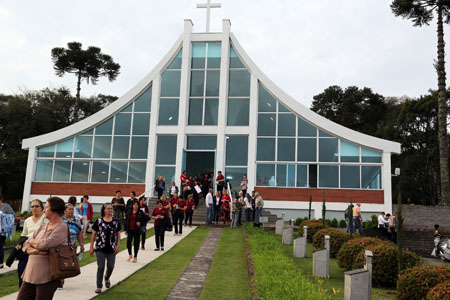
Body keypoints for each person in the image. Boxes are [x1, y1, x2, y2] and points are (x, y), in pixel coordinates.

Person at [17, 197, 68, 300]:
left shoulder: (62, 227)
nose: (44, 210)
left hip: (47, 275)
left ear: (54, 209)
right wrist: (34, 250)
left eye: (46, 207)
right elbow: (26, 244)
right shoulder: (43, 226)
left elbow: (45, 244)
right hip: (30, 273)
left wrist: (32, 242)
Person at [90, 203, 121, 294]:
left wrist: (118, 245)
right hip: (100, 247)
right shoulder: (99, 221)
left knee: (111, 266)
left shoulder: (115, 221)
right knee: (101, 267)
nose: (110, 210)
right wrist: (91, 247)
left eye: (111, 208)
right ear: (104, 210)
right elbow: (93, 234)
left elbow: (118, 234)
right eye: (108, 208)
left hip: (111, 248)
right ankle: (99, 286)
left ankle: (107, 278)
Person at [18, 199, 46, 287]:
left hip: (40, 250)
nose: (34, 208)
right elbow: (23, 235)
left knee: (36, 278)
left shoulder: (46, 219)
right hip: (27, 249)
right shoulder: (27, 221)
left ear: (42, 208)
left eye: (37, 206)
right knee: (21, 271)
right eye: (32, 206)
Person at [60, 203, 83, 289]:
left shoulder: (76, 220)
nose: (71, 211)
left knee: (68, 264)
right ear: (64, 210)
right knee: (61, 262)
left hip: (72, 246)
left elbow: (79, 233)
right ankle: (61, 280)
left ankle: (62, 277)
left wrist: (82, 244)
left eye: (72, 209)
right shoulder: (60, 220)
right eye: (69, 209)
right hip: (61, 245)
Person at [0, 193, 15, 269]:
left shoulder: (6, 207)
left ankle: (0, 263)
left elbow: (12, 216)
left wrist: (2, 215)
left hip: (2, 230)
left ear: (1, 199)